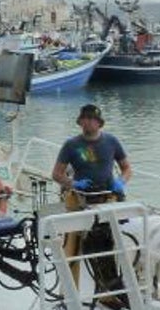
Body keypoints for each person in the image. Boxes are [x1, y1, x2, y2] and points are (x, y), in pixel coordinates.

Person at [51, 104, 133, 293]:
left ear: (99, 123)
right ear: (80, 122)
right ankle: (68, 294)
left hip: (106, 198)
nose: (88, 122)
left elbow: (127, 168)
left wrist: (121, 182)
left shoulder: (112, 142)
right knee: (72, 248)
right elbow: (56, 174)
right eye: (85, 119)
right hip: (79, 199)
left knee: (106, 246)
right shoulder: (71, 145)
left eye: (92, 119)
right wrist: (72, 183)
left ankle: (107, 294)